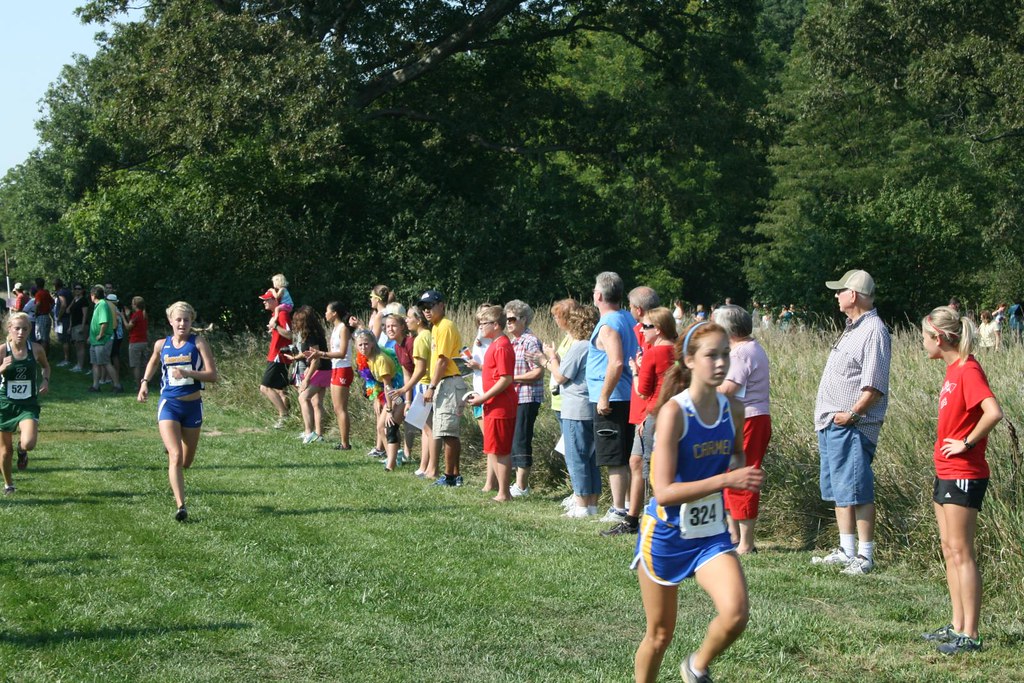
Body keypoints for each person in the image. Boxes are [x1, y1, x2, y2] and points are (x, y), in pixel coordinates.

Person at [632, 321, 763, 683]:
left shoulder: (733, 409)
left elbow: (735, 455)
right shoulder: (674, 413)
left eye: (726, 354)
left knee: (735, 614)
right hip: (666, 534)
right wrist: (726, 479)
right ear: (689, 360)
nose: (721, 363)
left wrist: (744, 469)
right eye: (711, 355)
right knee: (659, 636)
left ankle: (695, 666)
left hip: (709, 534)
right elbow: (664, 491)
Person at [918, 306, 1003, 654]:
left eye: (924, 337)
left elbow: (993, 412)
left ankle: (971, 634)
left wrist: (966, 442)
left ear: (938, 338)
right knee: (950, 549)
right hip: (945, 471)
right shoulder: (952, 370)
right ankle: (956, 626)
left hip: (964, 473)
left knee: (962, 552)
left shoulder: (968, 369)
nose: (923, 344)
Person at [811, 269, 891, 575]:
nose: (836, 295)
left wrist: (853, 415)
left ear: (853, 295)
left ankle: (865, 555)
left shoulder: (874, 331)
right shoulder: (853, 328)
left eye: (840, 290)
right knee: (840, 490)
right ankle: (846, 550)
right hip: (834, 423)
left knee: (857, 489)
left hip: (853, 425)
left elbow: (874, 383)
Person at [137, 302, 218, 520]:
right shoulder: (161, 345)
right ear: (170, 321)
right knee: (175, 456)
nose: (182, 324)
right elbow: (153, 362)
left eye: (186, 320)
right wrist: (145, 382)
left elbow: (212, 375)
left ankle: (174, 448)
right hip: (169, 404)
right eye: (178, 320)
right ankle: (181, 506)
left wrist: (188, 372)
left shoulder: (198, 342)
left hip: (192, 406)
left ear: (192, 321)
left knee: (186, 462)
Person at [713, 305, 771, 555]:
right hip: (745, 419)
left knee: (742, 476)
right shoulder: (748, 348)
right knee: (732, 473)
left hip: (748, 420)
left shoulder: (741, 354)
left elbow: (727, 388)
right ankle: (734, 535)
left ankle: (746, 543)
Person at [604, 286, 660, 536]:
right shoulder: (640, 331)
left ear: (638, 309)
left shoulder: (659, 340)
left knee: (653, 467)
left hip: (652, 412)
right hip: (641, 411)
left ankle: (657, 520)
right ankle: (632, 519)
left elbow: (658, 384)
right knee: (635, 461)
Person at [587, 272, 638, 523]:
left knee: (614, 456)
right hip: (630, 395)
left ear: (598, 295)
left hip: (614, 398)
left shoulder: (608, 325)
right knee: (628, 454)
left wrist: (604, 396)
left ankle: (619, 508)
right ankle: (628, 505)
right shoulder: (629, 318)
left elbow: (616, 362)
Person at [543, 304, 601, 517]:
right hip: (589, 406)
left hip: (575, 408)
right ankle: (592, 504)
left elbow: (560, 376)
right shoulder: (594, 344)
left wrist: (550, 357)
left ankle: (581, 505)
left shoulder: (579, 346)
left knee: (576, 456)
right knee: (591, 458)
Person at [467, 305, 516, 502]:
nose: (480, 327)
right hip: (493, 404)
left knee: (501, 450)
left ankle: (504, 493)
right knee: (493, 448)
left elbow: (506, 379)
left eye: (483, 323)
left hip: (501, 405)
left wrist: (483, 397)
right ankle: (501, 491)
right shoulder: (494, 344)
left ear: (496, 325)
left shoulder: (502, 345)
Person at [418, 290, 466, 487]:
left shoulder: (445, 326)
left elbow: (443, 361)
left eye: (430, 305)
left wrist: (431, 386)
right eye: (423, 307)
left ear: (442, 305)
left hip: (449, 382)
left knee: (448, 432)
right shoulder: (437, 327)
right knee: (446, 431)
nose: (426, 310)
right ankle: (454, 475)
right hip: (445, 383)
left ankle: (449, 477)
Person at [0, 313, 51, 491]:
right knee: (6, 451)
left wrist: (45, 381)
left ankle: (22, 451)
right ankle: (9, 485)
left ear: (29, 330)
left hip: (28, 404)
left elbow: (46, 366)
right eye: (17, 328)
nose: (21, 332)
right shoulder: (2, 350)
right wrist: (1, 368)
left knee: (29, 443)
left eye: (25, 329)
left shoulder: (36, 349)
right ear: (10, 329)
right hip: (4, 404)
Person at [506, 299, 544, 497]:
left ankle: (522, 486)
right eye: (507, 319)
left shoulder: (530, 341)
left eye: (512, 319)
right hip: (516, 396)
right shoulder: (513, 342)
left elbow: (538, 371)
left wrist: (512, 379)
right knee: (515, 438)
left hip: (527, 396)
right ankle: (518, 482)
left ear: (524, 319)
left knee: (522, 438)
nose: (508, 323)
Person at [393, 306, 436, 478]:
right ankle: (424, 466)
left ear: (418, 320)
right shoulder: (427, 335)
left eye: (409, 317)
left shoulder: (420, 339)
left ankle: (431, 467)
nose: (406, 320)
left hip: (424, 386)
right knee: (425, 429)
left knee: (429, 429)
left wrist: (405, 389)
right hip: (423, 385)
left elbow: (420, 370)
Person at [354, 330, 405, 471]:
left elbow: (388, 386)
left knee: (388, 425)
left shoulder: (380, 359)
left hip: (398, 394)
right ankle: (392, 458)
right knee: (381, 427)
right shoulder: (367, 359)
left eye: (366, 344)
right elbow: (376, 383)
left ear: (372, 344)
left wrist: (389, 410)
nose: (363, 347)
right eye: (360, 345)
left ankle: (392, 462)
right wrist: (377, 398)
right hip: (389, 394)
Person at [307, 302, 355, 450]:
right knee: (336, 408)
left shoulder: (343, 329)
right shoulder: (335, 328)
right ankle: (343, 442)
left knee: (341, 408)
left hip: (343, 369)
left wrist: (321, 354)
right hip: (335, 368)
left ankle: (345, 444)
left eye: (327, 311)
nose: (325, 314)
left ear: (334, 313)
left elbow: (341, 353)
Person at [285, 306, 332, 444]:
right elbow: (308, 353)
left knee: (303, 397)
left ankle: (309, 432)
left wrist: (306, 379)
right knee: (316, 403)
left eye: (298, 321)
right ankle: (319, 434)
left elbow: (316, 360)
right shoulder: (312, 334)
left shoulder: (311, 336)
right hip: (323, 369)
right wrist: (295, 358)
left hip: (321, 370)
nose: (295, 324)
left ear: (304, 321)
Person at [258, 288, 293, 428]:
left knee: (265, 387)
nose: (264, 302)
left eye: (267, 300)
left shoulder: (282, 314)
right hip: (276, 355)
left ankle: (283, 415)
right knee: (280, 390)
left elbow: (290, 335)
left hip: (279, 356)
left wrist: (276, 326)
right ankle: (285, 420)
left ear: (275, 300)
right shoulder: (276, 314)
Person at [88, 285, 123, 393]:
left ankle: (117, 385)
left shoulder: (102, 304)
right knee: (95, 363)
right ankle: (95, 386)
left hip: (102, 340)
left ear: (93, 295)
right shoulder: (98, 305)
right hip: (95, 341)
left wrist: (100, 335)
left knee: (105, 362)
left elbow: (104, 322)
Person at [126, 296, 150, 387]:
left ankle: (138, 384)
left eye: (132, 303)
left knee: (136, 365)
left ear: (135, 305)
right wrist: (128, 316)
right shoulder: (144, 314)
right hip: (144, 342)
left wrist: (122, 316)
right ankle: (145, 382)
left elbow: (128, 327)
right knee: (144, 364)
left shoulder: (136, 314)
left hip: (135, 342)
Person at [53, 279, 73, 366]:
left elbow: (63, 304)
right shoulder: (68, 291)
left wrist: (59, 317)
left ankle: (66, 359)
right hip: (68, 317)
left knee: (64, 339)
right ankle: (68, 358)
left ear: (55, 285)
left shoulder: (61, 293)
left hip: (63, 319)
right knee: (66, 339)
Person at [32, 278, 54, 353]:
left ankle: (43, 356)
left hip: (41, 316)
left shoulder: (39, 293)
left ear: (36, 285)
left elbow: (38, 304)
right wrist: (49, 309)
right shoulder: (46, 293)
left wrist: (35, 312)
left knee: (42, 338)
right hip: (47, 316)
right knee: (46, 337)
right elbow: (53, 302)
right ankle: (47, 354)